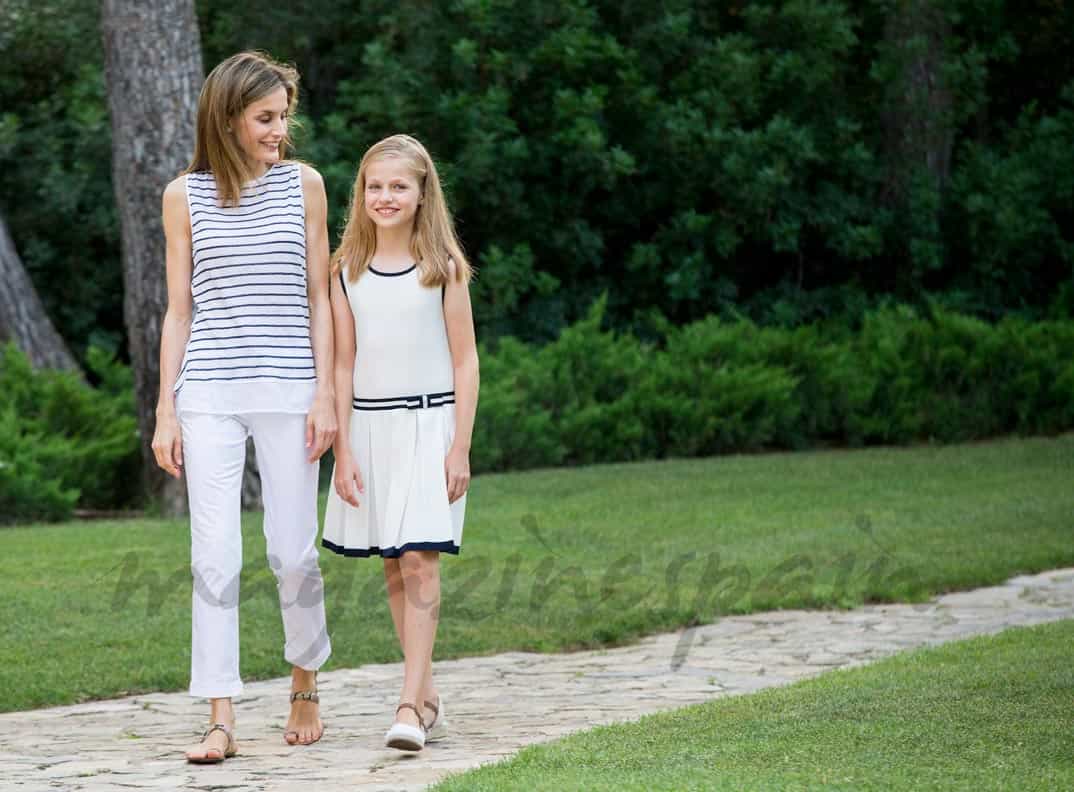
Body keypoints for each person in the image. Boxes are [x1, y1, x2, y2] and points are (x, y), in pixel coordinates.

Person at [151, 51, 337, 764]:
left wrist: (325, 390)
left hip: (291, 388)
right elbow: (178, 312)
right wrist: (168, 411)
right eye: (265, 118)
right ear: (227, 120)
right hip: (209, 393)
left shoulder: (305, 187)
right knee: (215, 556)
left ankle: (304, 685)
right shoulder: (183, 196)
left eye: (284, 116)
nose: (279, 131)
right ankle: (220, 713)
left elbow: (319, 296)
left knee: (292, 551)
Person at [322, 134, 479, 751]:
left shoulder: (443, 269)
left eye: (398, 187)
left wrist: (459, 447)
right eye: (374, 187)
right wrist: (344, 449)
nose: (385, 197)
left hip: (429, 426)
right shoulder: (345, 272)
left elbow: (465, 363)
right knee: (392, 561)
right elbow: (341, 366)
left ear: (421, 194)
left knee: (420, 557)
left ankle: (410, 705)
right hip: (369, 428)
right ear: (361, 194)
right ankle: (428, 688)